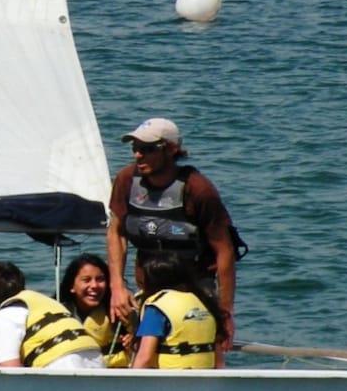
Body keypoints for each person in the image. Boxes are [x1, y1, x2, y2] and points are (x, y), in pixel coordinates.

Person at [107, 117, 240, 358]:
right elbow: (116, 232)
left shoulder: (198, 189)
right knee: (144, 355)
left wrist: (225, 312)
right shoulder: (126, 180)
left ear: (171, 149)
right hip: (149, 288)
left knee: (195, 355)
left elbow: (225, 251)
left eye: (147, 149)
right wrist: (117, 285)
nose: (138, 155)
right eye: (135, 148)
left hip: (196, 290)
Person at [0, 260, 103, 371]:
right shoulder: (44, 302)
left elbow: (10, 372)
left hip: (61, 366)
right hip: (97, 361)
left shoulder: (2, 316)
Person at [130, 255, 223, 369]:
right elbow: (219, 361)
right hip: (205, 377)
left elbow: (145, 358)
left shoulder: (157, 307)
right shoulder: (205, 303)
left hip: (170, 378)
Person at [58, 252, 129, 368]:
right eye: (86, 280)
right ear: (72, 286)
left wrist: (133, 340)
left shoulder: (120, 313)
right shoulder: (58, 314)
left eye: (100, 279)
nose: (94, 285)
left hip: (113, 372)